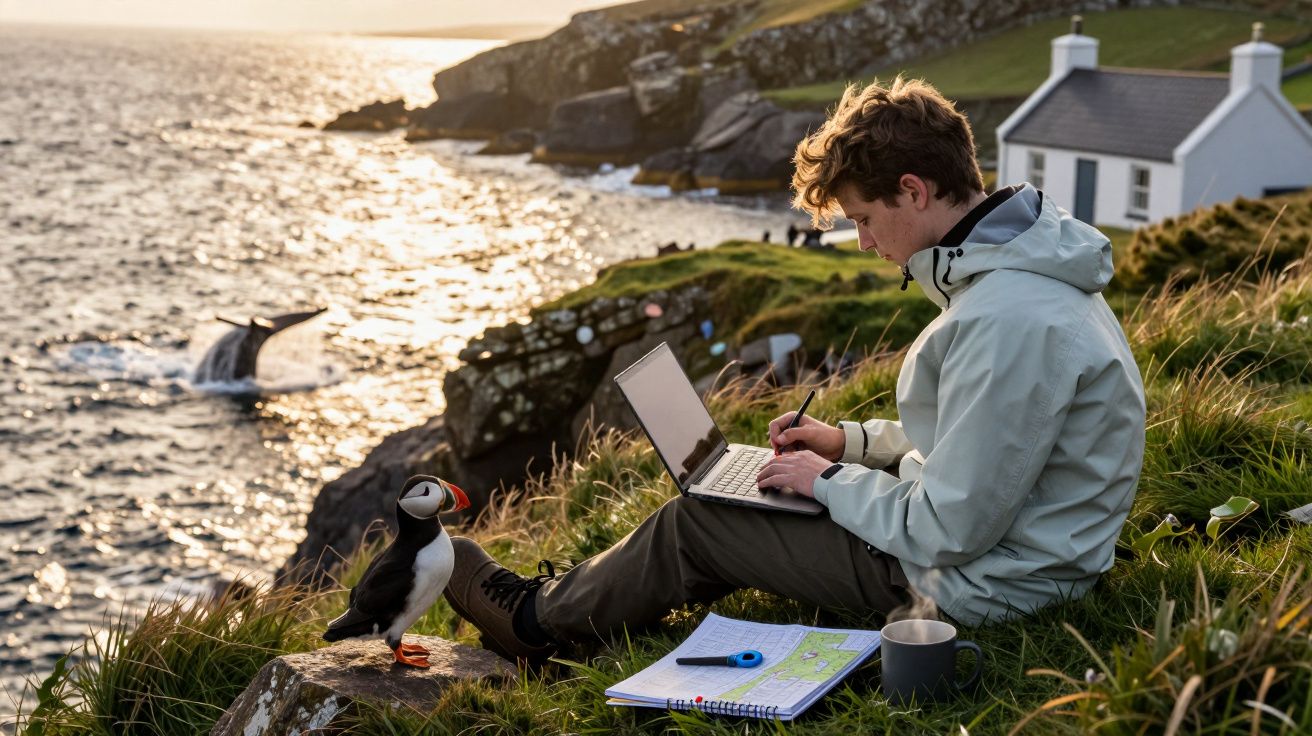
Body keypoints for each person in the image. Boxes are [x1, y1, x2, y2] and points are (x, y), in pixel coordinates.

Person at [442, 76, 1146, 663]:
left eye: (866, 218)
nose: (865, 241)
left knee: (696, 523)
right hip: (1013, 553)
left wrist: (829, 482)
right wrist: (849, 447)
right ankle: (600, 594)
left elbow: (949, 529)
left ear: (915, 190)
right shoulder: (1026, 274)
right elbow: (985, 444)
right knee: (746, 502)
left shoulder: (1006, 320)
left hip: (984, 584)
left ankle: (532, 623)